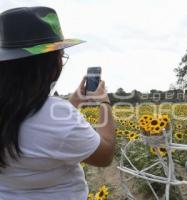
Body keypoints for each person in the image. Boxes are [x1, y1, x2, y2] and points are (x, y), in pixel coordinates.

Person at [0, 7, 115, 200]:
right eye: (60, 57)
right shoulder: (56, 115)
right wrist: (104, 102)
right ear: (49, 65)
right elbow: (105, 154)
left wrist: (75, 101)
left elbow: (47, 129)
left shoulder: (23, 111)